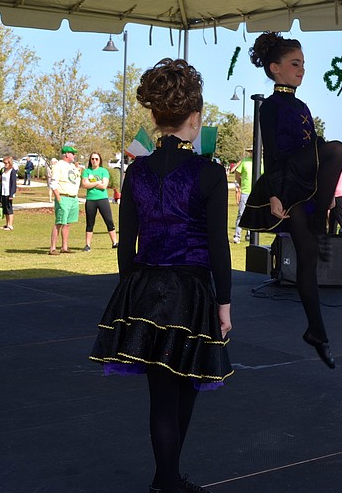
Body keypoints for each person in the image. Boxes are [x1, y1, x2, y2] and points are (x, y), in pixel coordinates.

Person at [89, 58, 232, 493]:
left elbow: (126, 243)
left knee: (164, 396)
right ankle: (167, 483)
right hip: (191, 292)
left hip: (146, 288)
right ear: (196, 117)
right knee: (184, 388)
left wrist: (129, 291)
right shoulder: (210, 173)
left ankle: (165, 478)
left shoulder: (136, 172)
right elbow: (219, 246)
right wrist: (224, 304)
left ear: (154, 115)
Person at [239, 32, 342, 369]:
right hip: (287, 178)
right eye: (295, 64)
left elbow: (311, 144)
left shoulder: (301, 105)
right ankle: (319, 220)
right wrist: (274, 193)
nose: (302, 70)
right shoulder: (271, 107)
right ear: (275, 68)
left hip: (306, 182)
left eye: (303, 64)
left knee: (308, 259)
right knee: (337, 149)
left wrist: (326, 190)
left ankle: (317, 331)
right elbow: (272, 152)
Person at [81, 152, 117, 251]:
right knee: (90, 223)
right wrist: (97, 182)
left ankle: (114, 242)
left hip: (102, 199)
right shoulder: (87, 171)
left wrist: (91, 183)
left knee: (109, 221)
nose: (94, 161)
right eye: (92, 159)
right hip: (90, 200)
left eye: (96, 159)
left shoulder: (103, 171)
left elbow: (104, 186)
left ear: (100, 160)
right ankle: (87, 245)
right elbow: (85, 184)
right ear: (90, 160)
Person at [48, 146, 80, 255]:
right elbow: (53, 183)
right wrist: (58, 197)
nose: (74, 155)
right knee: (59, 222)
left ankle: (64, 247)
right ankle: (53, 248)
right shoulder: (59, 165)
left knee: (67, 223)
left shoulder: (72, 166)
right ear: (66, 154)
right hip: (63, 196)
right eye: (72, 153)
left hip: (73, 197)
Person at [232, 148, 255, 244]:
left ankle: (249, 234)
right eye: (252, 151)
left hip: (255, 192)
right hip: (245, 192)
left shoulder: (262, 162)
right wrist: (240, 184)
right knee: (241, 213)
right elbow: (237, 173)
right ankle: (237, 235)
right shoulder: (245, 162)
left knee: (253, 214)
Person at [0, 155, 17, 230]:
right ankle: (6, 224)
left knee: (9, 208)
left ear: (10, 163)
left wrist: (11, 194)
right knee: (5, 208)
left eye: (6, 163)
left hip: (9, 192)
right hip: (3, 191)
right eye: (4, 163)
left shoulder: (12, 171)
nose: (5, 164)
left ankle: (10, 225)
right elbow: (1, 181)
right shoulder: (3, 170)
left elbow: (13, 183)